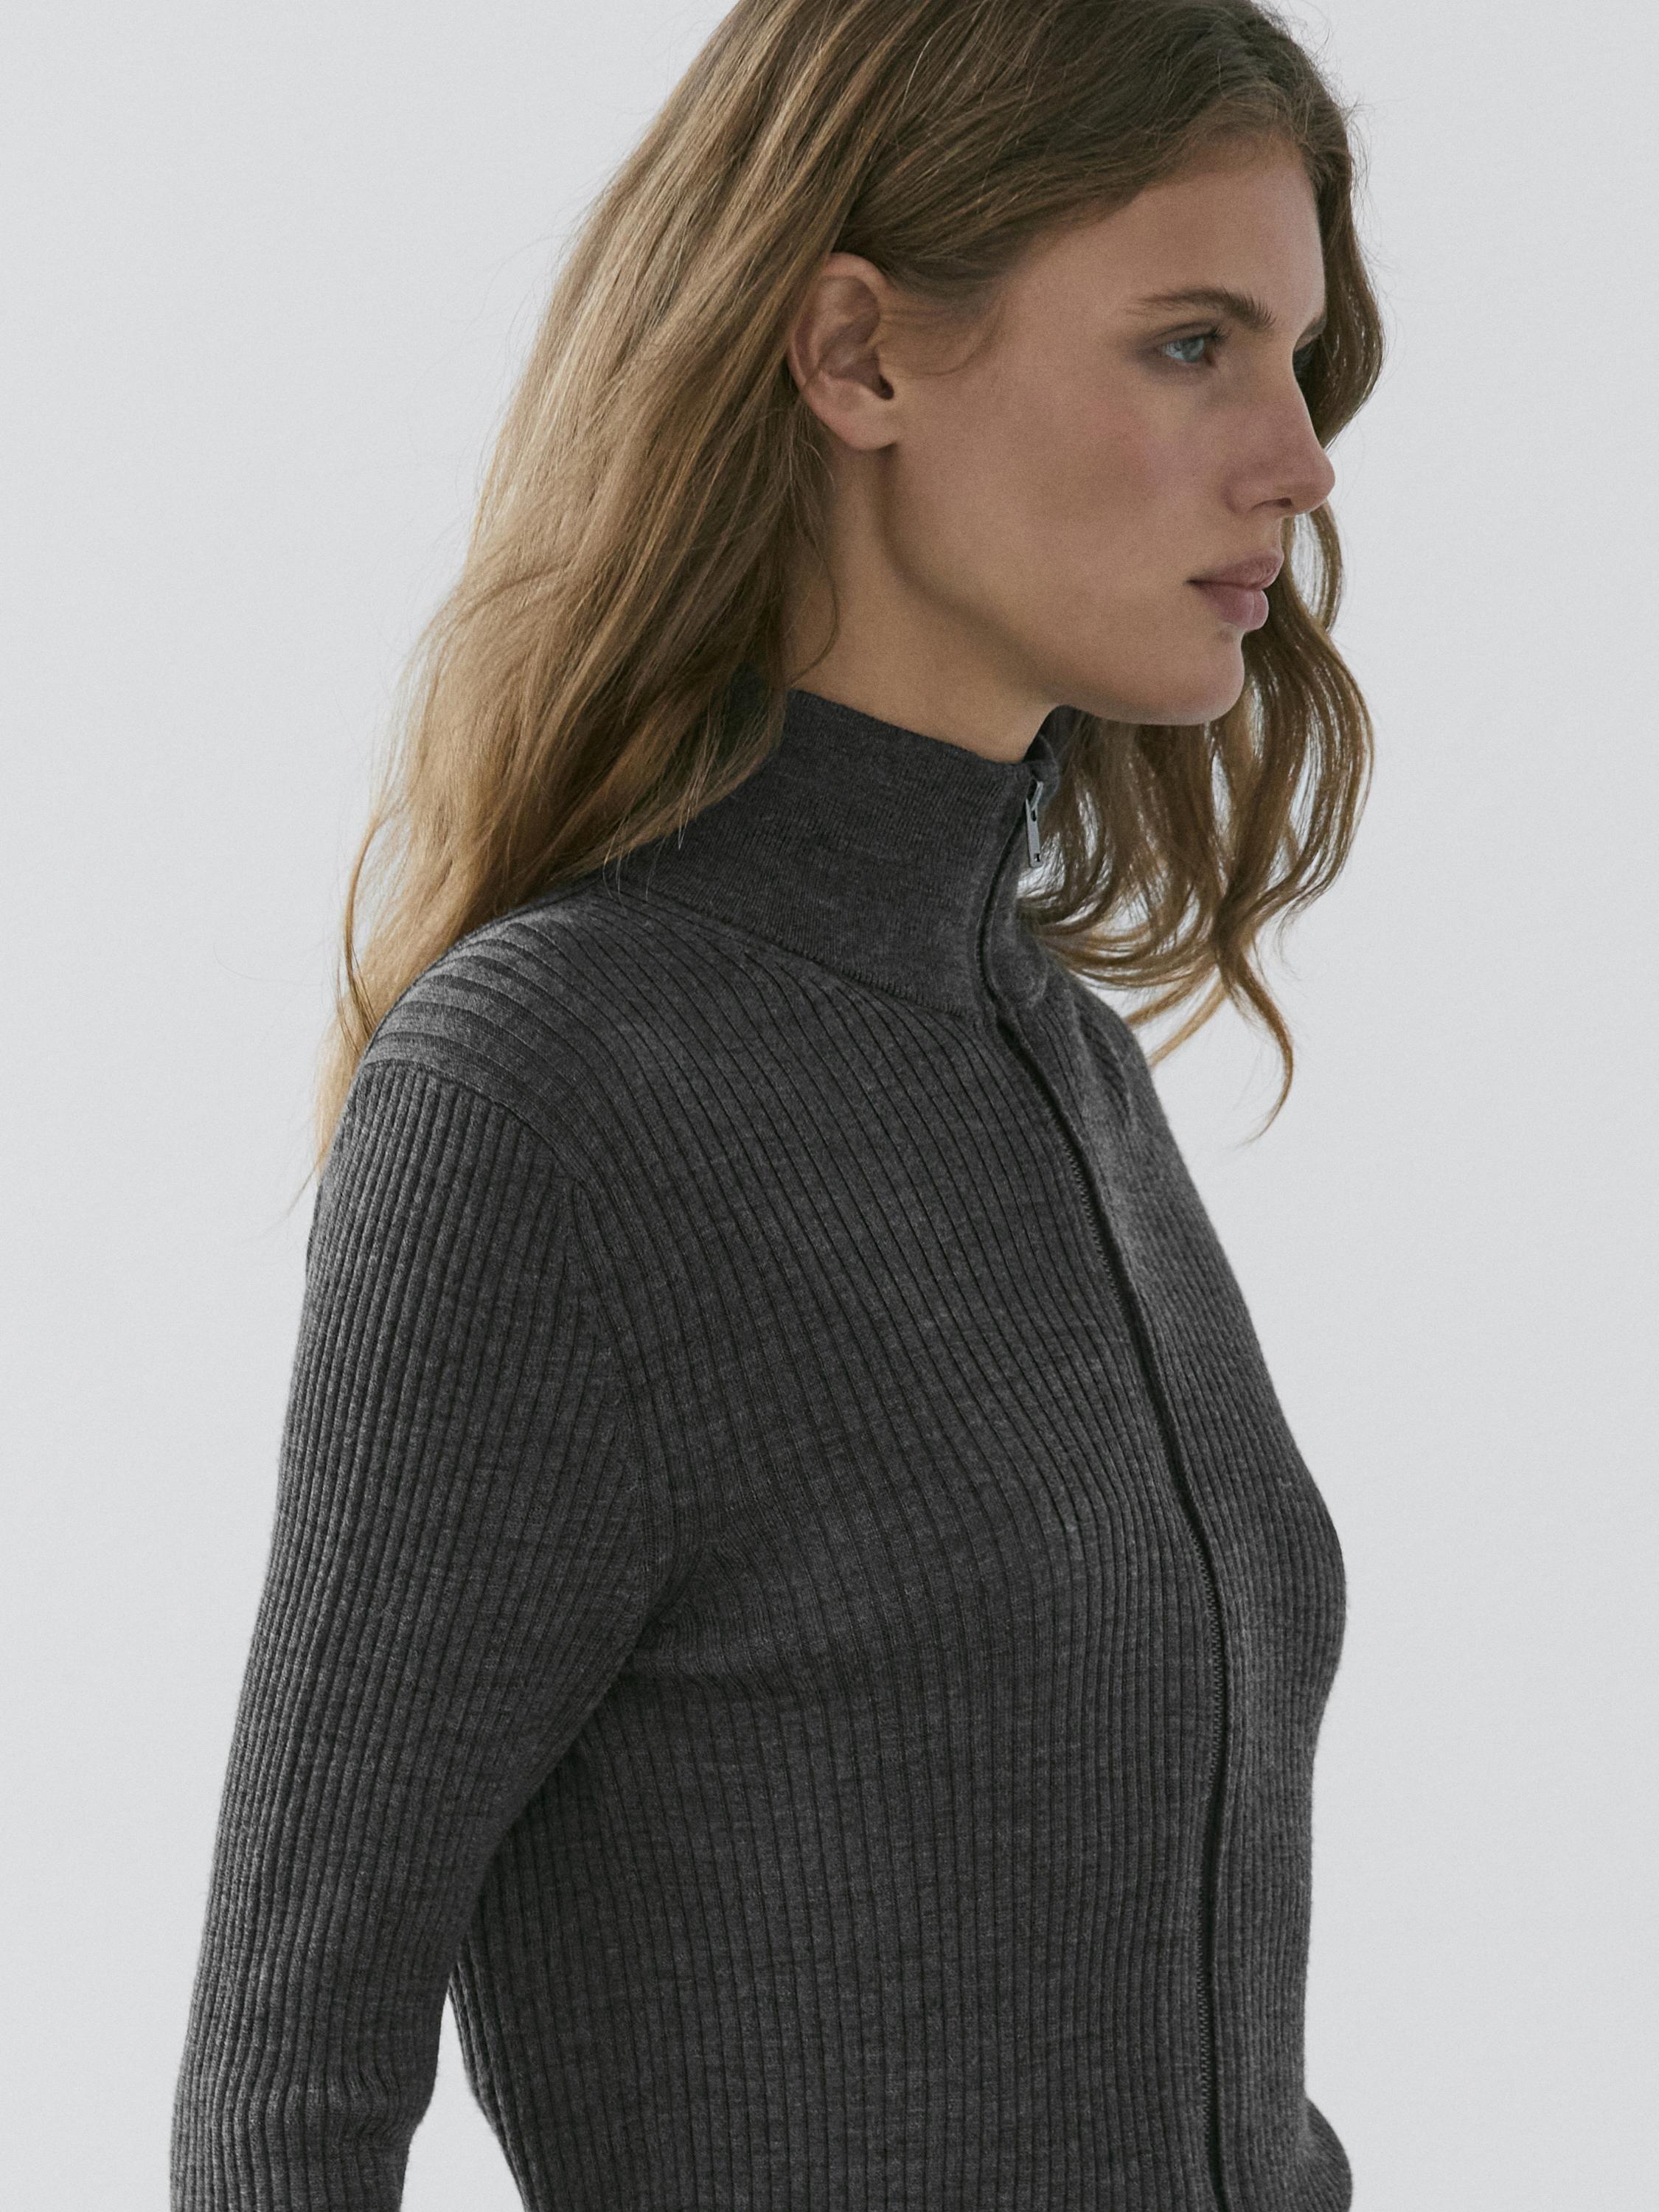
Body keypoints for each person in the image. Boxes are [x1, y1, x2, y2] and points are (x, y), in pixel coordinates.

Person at [171, 1, 1382, 2206]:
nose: (1296, 461)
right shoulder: (548, 1097)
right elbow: (284, 2109)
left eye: (1295, 361)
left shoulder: (1059, 1061)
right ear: (855, 355)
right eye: (1192, 344)